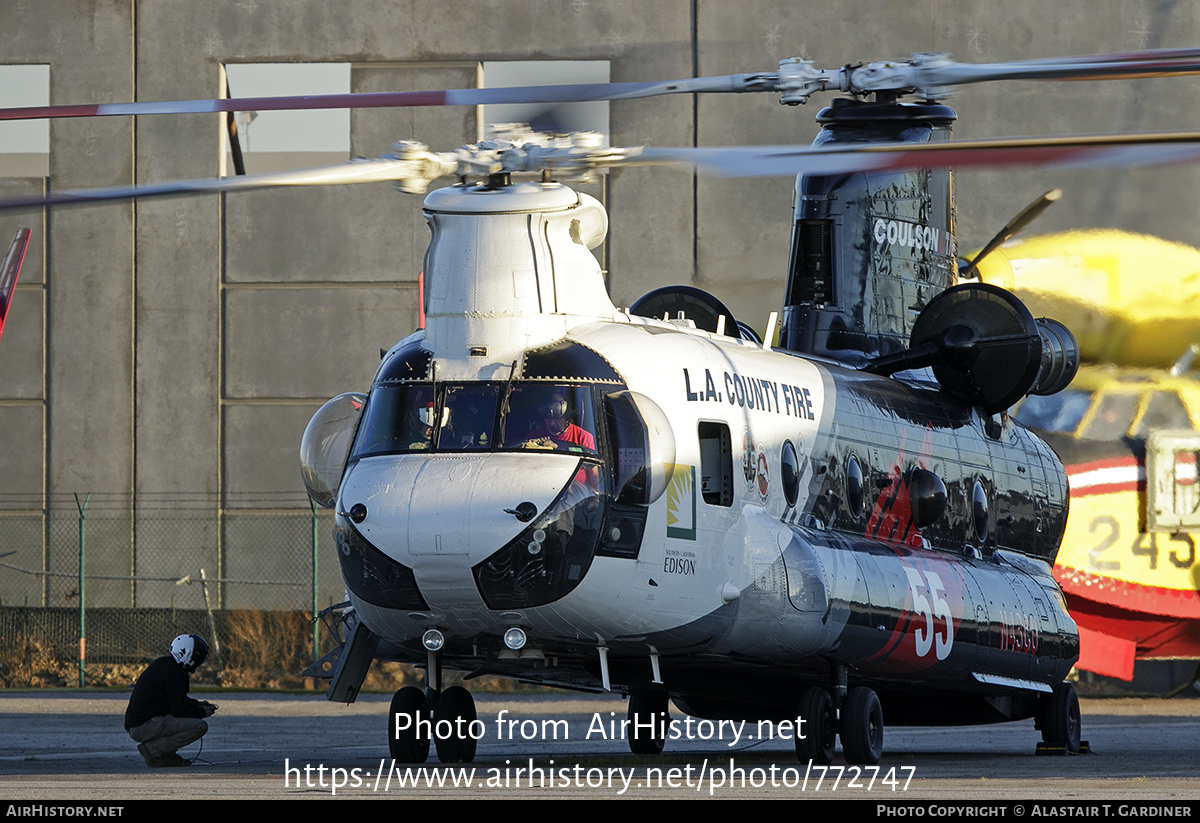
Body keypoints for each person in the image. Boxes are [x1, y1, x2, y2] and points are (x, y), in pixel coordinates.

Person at [124, 634, 217, 767]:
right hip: (143, 726)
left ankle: (165, 755)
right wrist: (201, 712)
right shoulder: (175, 673)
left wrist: (197, 704)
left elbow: (175, 700)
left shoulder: (166, 665)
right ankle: (152, 750)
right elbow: (178, 709)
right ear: (188, 655)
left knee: (184, 721)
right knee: (199, 726)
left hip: (140, 723)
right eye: (197, 656)